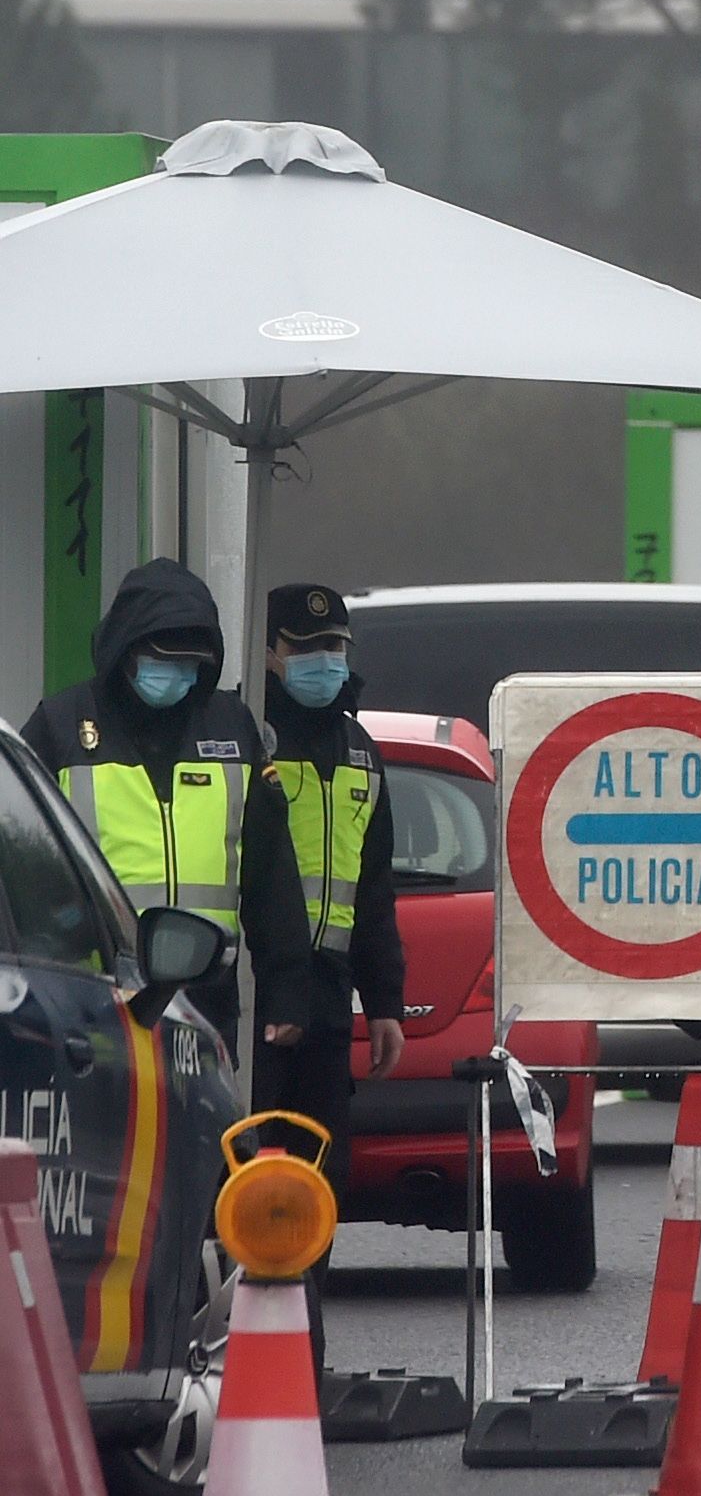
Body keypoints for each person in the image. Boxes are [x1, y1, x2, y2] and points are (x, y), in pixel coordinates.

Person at [21, 559, 311, 1061]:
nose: (176, 675)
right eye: (163, 659)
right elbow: (20, 862)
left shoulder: (231, 728)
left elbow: (271, 871)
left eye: (189, 665)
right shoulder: (62, 727)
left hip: (205, 999)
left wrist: (286, 988)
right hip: (92, 997)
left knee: (206, 1137)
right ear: (126, 650)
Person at [259, 584, 406, 1358]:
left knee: (322, 1179)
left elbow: (372, 886)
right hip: (253, 998)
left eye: (336, 649)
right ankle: (240, 1345)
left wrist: (385, 1001)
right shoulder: (250, 740)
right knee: (242, 1180)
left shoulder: (359, 750)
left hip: (327, 1002)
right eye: (307, 648)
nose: (323, 662)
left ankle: (300, 1357)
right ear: (270, 654)